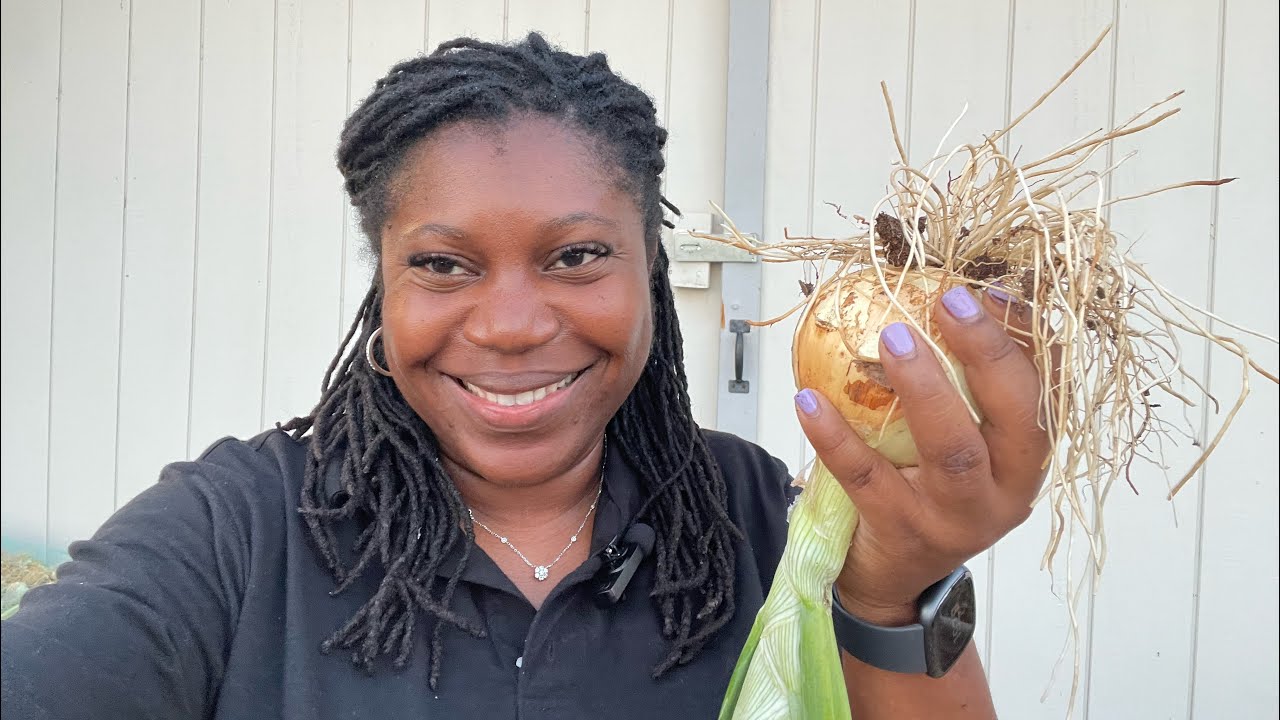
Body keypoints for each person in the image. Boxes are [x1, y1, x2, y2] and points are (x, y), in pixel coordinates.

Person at [1, 34, 1046, 719]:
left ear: (649, 271)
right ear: (384, 285)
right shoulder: (231, 534)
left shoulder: (759, 525)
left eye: (575, 256)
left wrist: (897, 590)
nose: (508, 327)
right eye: (443, 265)